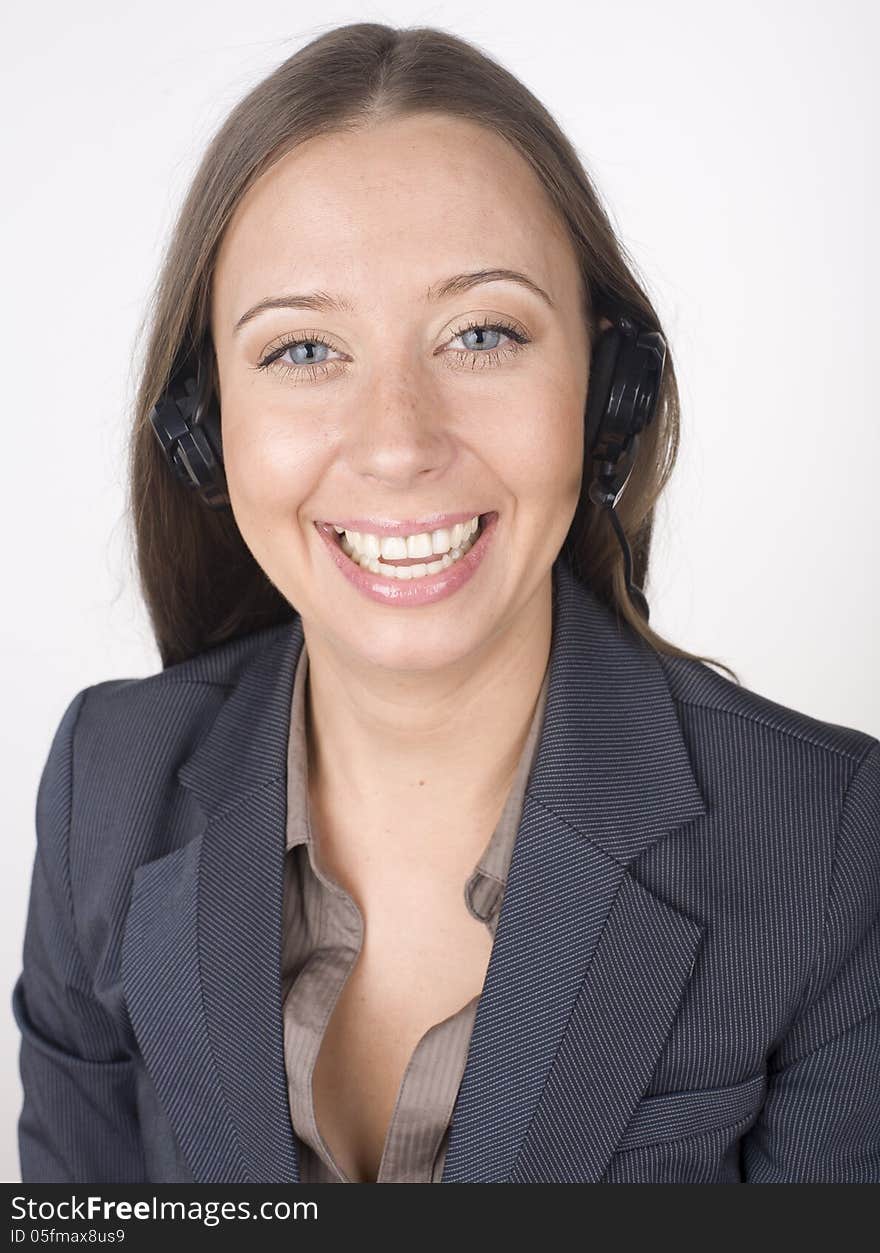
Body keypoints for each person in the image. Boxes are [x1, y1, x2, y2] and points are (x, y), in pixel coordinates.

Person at [12, 22, 879, 1185]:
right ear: (205, 430)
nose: (397, 443)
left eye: (481, 333)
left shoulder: (828, 845)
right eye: (305, 350)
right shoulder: (103, 789)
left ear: (607, 395)